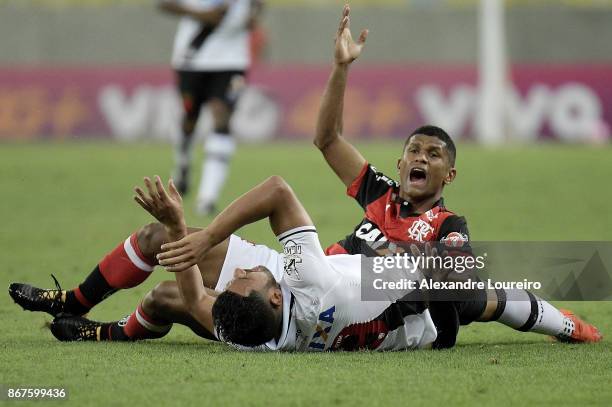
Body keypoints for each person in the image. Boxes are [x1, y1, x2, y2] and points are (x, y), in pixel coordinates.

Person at [9, 176, 601, 350]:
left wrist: (179, 228)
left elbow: (191, 298)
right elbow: (276, 191)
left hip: (344, 285)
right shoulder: (309, 288)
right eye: (240, 276)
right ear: (269, 294)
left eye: (232, 278)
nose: (231, 272)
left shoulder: (247, 329)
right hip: (378, 298)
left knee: (165, 292)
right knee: (473, 295)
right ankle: (561, 319)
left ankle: (95, 324)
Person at [159, 0, 264, 215]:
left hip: (232, 62)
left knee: (221, 118)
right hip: (192, 60)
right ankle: (183, 163)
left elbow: (257, 5)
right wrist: (202, 15)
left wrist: (252, 17)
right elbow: (164, 4)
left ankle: (207, 198)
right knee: (190, 119)